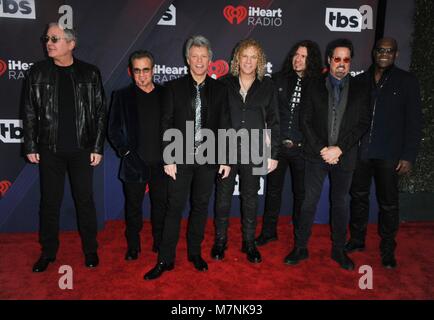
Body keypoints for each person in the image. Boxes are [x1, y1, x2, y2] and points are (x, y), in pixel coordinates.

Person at [144, 35, 231, 280]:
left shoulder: (220, 89)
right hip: (179, 159)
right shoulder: (173, 88)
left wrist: (225, 158)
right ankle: (165, 259)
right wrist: (169, 158)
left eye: (204, 56)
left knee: (201, 207)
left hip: (208, 160)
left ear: (210, 59)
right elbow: (166, 123)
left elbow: (225, 124)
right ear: (187, 59)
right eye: (195, 56)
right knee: (174, 209)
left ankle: (195, 253)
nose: (199, 61)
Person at [23, 23, 106, 272]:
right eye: (47, 38)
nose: (49, 42)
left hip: (82, 149)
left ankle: (90, 249)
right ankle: (48, 252)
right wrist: (30, 144)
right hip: (49, 149)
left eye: (55, 38)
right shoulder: (37, 72)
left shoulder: (90, 73)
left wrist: (98, 146)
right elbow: (28, 112)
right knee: (49, 202)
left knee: (85, 201)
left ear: (71, 44)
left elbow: (100, 113)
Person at [285, 38, 371, 270]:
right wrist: (322, 149)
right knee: (308, 202)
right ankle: (301, 247)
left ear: (350, 62)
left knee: (340, 203)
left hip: (345, 156)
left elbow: (362, 123)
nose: (341, 64)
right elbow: (305, 121)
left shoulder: (362, 88)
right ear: (329, 60)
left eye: (346, 59)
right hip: (316, 155)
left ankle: (338, 250)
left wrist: (339, 148)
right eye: (337, 59)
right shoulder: (313, 85)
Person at [346, 37, 422, 269]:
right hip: (361, 152)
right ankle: (357, 240)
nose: (384, 54)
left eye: (390, 51)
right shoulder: (359, 81)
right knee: (358, 197)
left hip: (389, 154)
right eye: (381, 50)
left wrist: (408, 155)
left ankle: (388, 248)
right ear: (374, 52)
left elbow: (414, 122)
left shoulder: (407, 81)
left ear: (396, 54)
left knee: (389, 203)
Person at [211, 39, 280, 263]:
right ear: (237, 59)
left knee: (250, 200)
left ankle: (249, 243)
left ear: (259, 61)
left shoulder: (267, 86)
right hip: (227, 153)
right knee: (222, 200)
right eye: (245, 56)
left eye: (254, 57)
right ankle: (220, 241)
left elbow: (274, 122)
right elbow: (218, 122)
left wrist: (273, 154)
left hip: (255, 151)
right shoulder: (223, 84)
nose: (248, 61)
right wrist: (221, 155)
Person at [256, 40, 322, 246]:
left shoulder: (319, 84)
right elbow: (268, 115)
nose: (298, 59)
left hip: (303, 149)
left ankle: (300, 237)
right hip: (278, 147)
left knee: (301, 194)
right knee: (273, 192)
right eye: (296, 54)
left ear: (311, 60)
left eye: (303, 56)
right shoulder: (278, 80)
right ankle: (268, 232)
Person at [108, 50, 168, 261]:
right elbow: (113, 129)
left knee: (160, 207)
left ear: (153, 70)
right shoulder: (121, 96)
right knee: (133, 209)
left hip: (162, 163)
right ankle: (133, 245)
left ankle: (159, 242)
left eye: (146, 70)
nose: (142, 75)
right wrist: (124, 151)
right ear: (130, 72)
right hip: (134, 163)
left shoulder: (165, 94)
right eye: (137, 71)